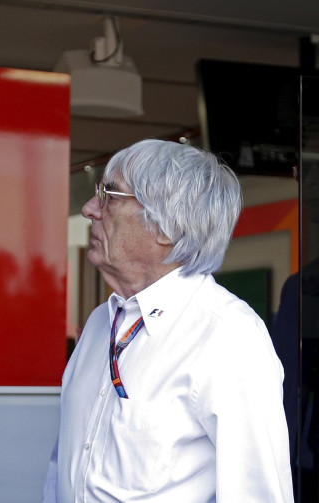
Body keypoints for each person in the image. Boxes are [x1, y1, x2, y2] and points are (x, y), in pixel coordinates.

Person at [43, 139, 293, 502]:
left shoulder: (228, 336)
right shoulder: (102, 322)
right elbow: (63, 465)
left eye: (110, 196)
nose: (89, 209)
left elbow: (258, 494)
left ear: (166, 227)